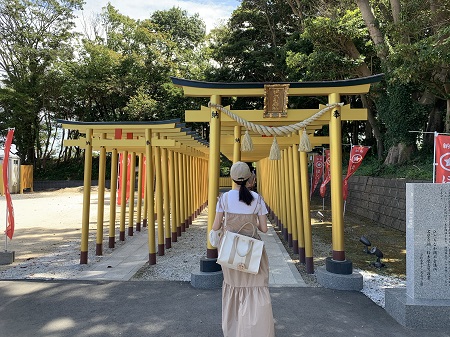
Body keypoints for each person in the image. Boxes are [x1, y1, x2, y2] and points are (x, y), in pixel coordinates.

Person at [212, 161, 275, 337]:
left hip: (230, 252)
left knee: (233, 287)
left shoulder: (224, 198)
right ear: (249, 178)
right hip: (252, 251)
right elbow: (264, 229)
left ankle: (234, 330)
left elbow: (216, 225)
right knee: (256, 287)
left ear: (232, 178)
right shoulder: (257, 199)